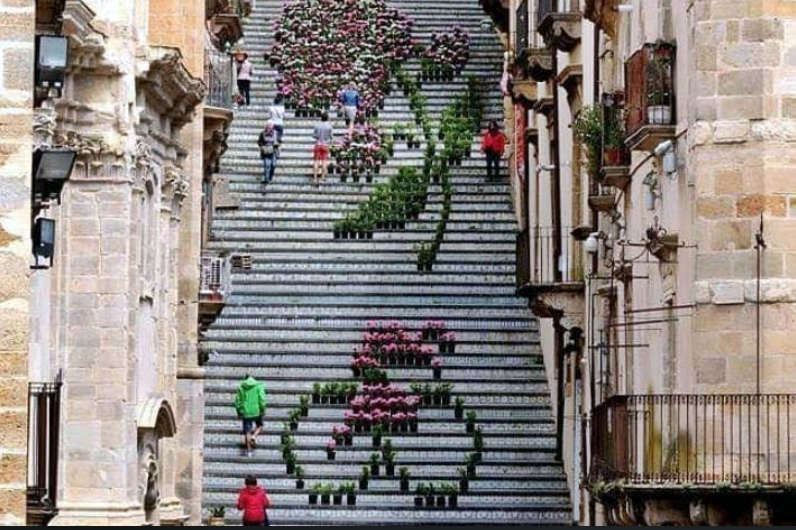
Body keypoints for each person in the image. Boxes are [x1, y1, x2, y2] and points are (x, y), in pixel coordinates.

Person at [234, 375, 267, 456]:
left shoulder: (241, 387)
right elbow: (262, 399)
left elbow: (238, 401)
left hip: (246, 412)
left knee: (247, 431)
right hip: (257, 411)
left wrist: (239, 411)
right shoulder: (258, 386)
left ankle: (249, 451)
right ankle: (254, 436)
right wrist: (263, 409)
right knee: (260, 426)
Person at [312, 111, 333, 186]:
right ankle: (322, 177)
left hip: (318, 144)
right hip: (325, 145)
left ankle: (315, 178)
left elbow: (314, 135)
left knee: (316, 162)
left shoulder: (317, 125)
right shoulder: (329, 126)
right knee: (324, 162)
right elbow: (331, 137)